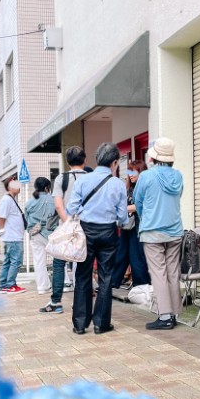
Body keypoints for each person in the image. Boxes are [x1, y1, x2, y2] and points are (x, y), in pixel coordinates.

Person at [65, 142, 129, 335]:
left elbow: (71, 209)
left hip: (85, 231)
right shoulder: (118, 184)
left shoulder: (83, 181)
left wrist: (86, 210)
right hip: (108, 232)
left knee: (82, 275)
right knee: (106, 277)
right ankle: (101, 323)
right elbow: (123, 218)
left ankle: (79, 324)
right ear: (115, 162)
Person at [134, 139, 184, 330]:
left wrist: (146, 216)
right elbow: (178, 198)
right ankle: (173, 313)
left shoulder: (146, 176)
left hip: (152, 231)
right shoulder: (178, 176)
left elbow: (138, 202)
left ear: (153, 156)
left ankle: (164, 316)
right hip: (174, 230)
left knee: (158, 273)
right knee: (172, 272)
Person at [39, 146, 89, 314]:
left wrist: (68, 224)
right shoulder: (91, 177)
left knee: (59, 263)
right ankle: (80, 302)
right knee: (82, 264)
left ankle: (56, 303)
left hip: (67, 226)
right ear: (84, 160)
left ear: (68, 162)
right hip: (87, 227)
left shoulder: (62, 178)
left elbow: (59, 205)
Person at [112, 159, 150, 289]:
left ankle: (142, 285)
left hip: (138, 226)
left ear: (142, 172)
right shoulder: (129, 188)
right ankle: (113, 282)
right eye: (129, 172)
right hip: (127, 225)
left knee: (136, 256)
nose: (131, 175)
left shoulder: (145, 187)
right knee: (121, 254)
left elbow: (141, 206)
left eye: (135, 172)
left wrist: (124, 208)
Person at [24, 176, 55, 295]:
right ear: (47, 188)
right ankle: (64, 283)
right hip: (51, 233)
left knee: (39, 261)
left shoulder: (29, 202)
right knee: (58, 259)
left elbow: (27, 219)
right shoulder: (53, 199)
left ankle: (43, 287)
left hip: (35, 233)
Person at [0, 178, 26, 293]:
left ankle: (4, 285)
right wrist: (3, 230)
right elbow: (1, 217)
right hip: (13, 237)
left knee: (8, 261)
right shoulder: (7, 200)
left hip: (12, 236)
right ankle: (10, 285)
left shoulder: (10, 199)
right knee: (16, 261)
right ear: (10, 187)